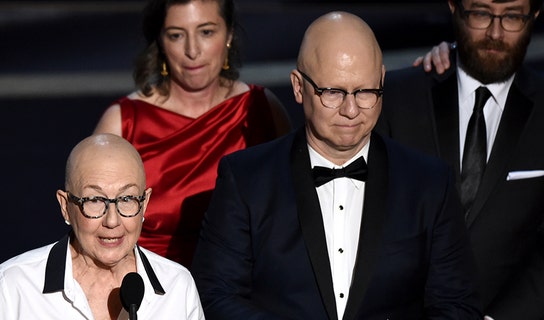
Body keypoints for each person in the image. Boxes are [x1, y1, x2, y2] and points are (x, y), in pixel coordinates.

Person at [191, 11, 481, 319]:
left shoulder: (429, 183)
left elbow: (458, 305)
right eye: (333, 92)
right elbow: (216, 296)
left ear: (382, 81)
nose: (351, 109)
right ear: (298, 87)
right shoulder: (245, 179)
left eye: (366, 91)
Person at [375, 0, 544, 318]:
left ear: (534, 15)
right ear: (454, 7)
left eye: (512, 16)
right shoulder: (398, 97)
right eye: (480, 13)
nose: (495, 33)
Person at [94, 0, 291, 268]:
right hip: (151, 293)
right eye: (176, 35)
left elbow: (291, 221)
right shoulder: (123, 123)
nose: (192, 50)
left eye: (206, 32)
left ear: (229, 35)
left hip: (244, 291)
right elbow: (92, 228)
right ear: (161, 41)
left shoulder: (261, 110)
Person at [0, 134, 204, 320]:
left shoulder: (177, 286)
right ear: (65, 206)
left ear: (145, 204)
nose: (112, 221)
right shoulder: (14, 285)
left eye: (127, 199)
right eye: (95, 200)